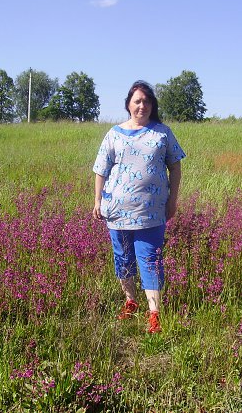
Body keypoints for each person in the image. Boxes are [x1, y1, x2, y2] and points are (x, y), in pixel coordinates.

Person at [92, 80, 186, 333]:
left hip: (151, 212)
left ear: (152, 105)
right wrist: (97, 200)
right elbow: (101, 169)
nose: (142, 105)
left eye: (146, 101)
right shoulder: (114, 134)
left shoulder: (162, 133)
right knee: (123, 258)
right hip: (117, 211)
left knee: (150, 259)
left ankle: (154, 313)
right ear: (128, 105)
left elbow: (175, 167)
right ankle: (131, 301)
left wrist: (173, 200)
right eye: (137, 101)